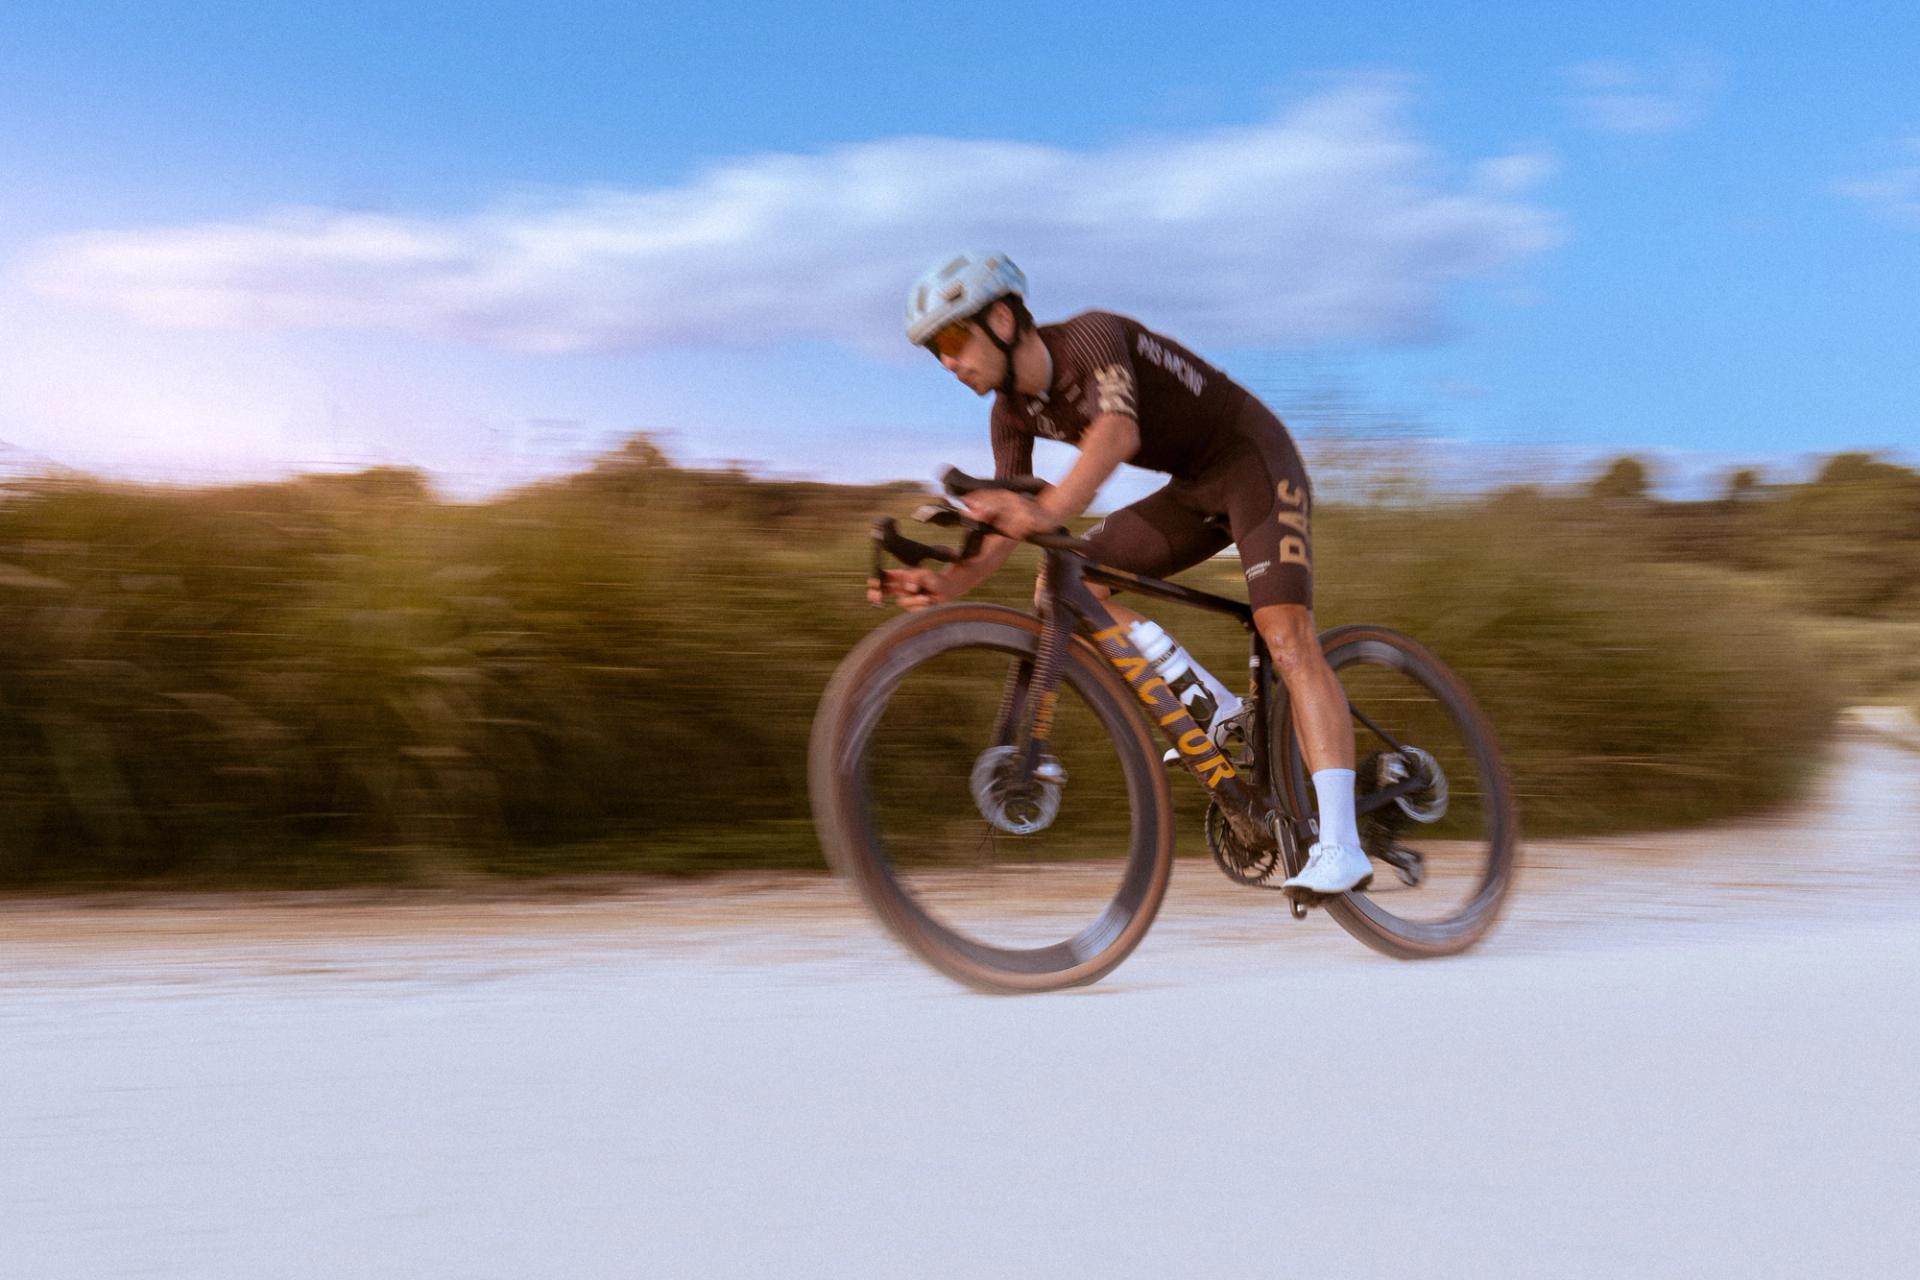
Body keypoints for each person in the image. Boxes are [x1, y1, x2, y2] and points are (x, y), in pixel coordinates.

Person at [875, 250, 1371, 897]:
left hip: (1254, 462)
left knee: (1285, 634)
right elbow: (1007, 521)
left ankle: (1343, 845)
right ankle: (1218, 710)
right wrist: (947, 584)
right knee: (1066, 588)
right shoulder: (1010, 413)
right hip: (1192, 489)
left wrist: (1048, 509)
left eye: (951, 340)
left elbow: (1116, 433)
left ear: (1001, 320)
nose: (947, 362)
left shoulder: (1091, 337)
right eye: (934, 351)